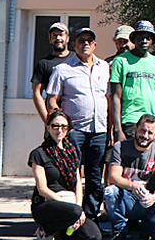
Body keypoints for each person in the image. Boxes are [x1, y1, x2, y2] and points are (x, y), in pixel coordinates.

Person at [44, 26, 110, 219]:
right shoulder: (63, 69)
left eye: (89, 40)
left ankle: (90, 216)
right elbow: (52, 99)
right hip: (74, 131)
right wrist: (58, 124)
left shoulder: (104, 67)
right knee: (70, 173)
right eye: (82, 40)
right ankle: (70, 213)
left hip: (99, 130)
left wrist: (112, 128)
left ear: (95, 44)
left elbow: (109, 98)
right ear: (74, 44)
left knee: (95, 175)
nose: (86, 44)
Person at [29, 110, 102, 240]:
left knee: (94, 238)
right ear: (48, 127)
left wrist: (79, 209)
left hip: (72, 205)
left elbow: (78, 182)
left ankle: (62, 232)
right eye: (55, 126)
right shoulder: (39, 154)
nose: (59, 130)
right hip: (48, 203)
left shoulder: (72, 152)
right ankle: (45, 230)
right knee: (73, 211)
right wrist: (71, 207)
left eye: (64, 127)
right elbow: (42, 189)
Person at [104, 114, 155, 240]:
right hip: (125, 197)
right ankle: (120, 229)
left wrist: (154, 197)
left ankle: (146, 230)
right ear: (135, 128)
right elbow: (113, 177)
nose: (145, 136)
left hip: (147, 200)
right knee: (110, 192)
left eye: (150, 132)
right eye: (142, 130)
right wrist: (132, 186)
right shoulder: (120, 147)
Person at [108, 21, 155, 143]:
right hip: (130, 120)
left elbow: (153, 95)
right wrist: (117, 129)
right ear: (134, 39)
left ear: (152, 41)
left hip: (151, 121)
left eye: (148, 38)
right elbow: (115, 96)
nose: (144, 41)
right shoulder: (120, 61)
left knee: (149, 161)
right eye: (140, 37)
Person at [32, 21, 71, 123]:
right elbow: (37, 93)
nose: (58, 38)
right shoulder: (44, 64)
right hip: (56, 120)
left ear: (67, 38)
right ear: (50, 39)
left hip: (76, 120)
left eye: (61, 35)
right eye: (54, 36)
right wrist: (47, 120)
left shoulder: (76, 59)